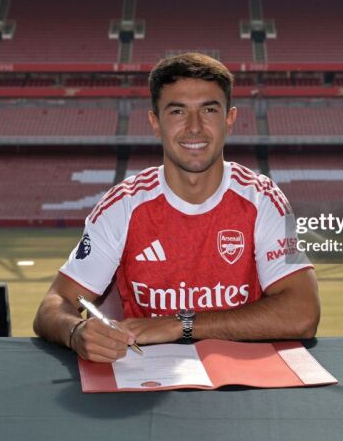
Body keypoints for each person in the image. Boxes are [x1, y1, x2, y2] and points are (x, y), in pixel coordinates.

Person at [34, 53, 319, 362]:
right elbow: (54, 302)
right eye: (178, 111)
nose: (194, 127)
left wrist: (180, 324)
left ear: (229, 119)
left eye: (209, 110)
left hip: (242, 378)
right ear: (155, 123)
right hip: (147, 375)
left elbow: (303, 313)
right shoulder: (122, 206)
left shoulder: (263, 199)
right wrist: (76, 331)